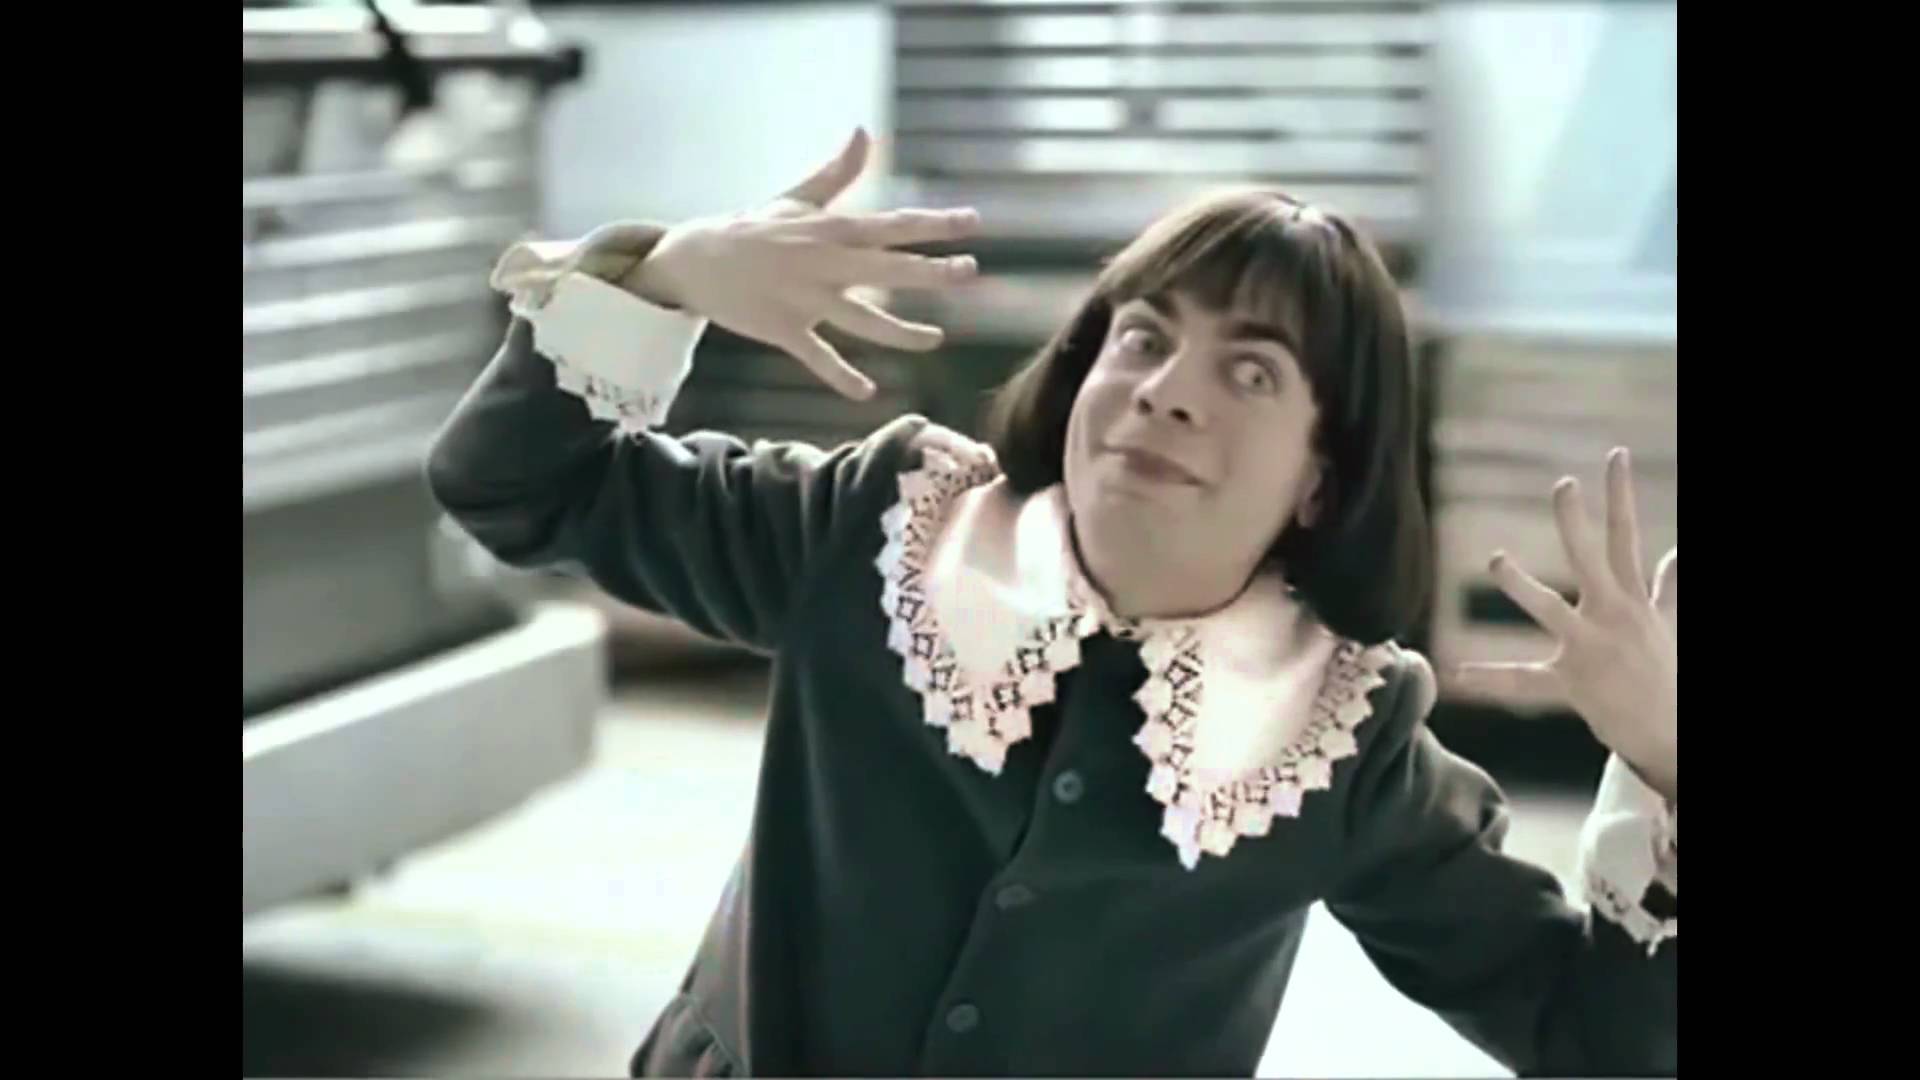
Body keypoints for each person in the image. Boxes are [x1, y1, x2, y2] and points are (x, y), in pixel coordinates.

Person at [427, 128, 1677, 1077]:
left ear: (1321, 479)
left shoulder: (1339, 739)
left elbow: (1596, 1040)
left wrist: (1670, 761)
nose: (1167, 390)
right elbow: (512, 485)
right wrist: (666, 277)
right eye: (1143, 337)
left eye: (1252, 372)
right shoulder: (882, 529)